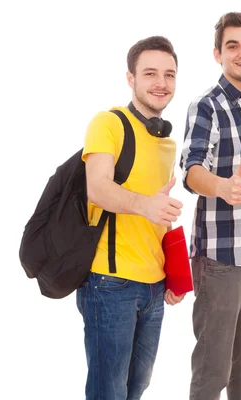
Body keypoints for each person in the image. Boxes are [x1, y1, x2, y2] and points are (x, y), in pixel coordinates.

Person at [179, 12, 241, 400]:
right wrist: (222, 186)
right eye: (233, 46)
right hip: (220, 258)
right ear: (218, 54)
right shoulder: (207, 106)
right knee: (212, 368)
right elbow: (191, 171)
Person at [78, 36, 185, 399]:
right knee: (109, 393)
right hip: (110, 284)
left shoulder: (167, 143)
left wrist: (172, 275)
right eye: (150, 73)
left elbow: (160, 213)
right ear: (131, 78)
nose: (161, 83)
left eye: (169, 75)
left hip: (154, 287)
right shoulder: (108, 123)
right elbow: (98, 188)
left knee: (136, 388)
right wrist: (145, 205)